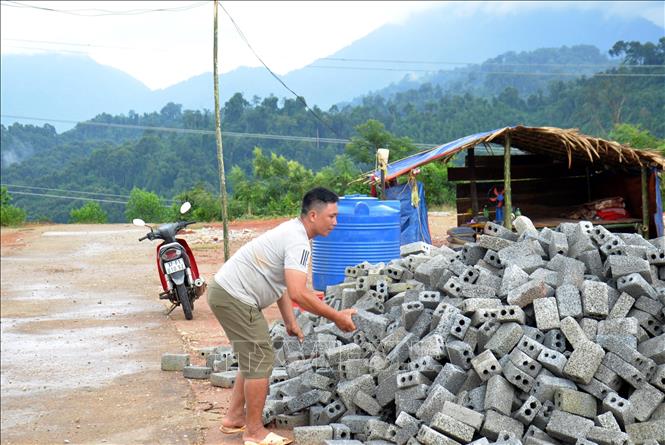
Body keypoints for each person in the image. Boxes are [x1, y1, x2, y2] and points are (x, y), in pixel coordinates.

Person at [207, 187, 357, 445]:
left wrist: (290, 322)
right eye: (331, 216)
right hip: (234, 297)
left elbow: (281, 284)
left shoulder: (293, 233)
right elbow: (299, 292)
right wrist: (337, 317)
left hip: (227, 293)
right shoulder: (298, 241)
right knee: (260, 357)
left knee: (252, 356)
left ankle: (234, 418)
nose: (335, 222)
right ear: (313, 215)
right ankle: (254, 432)